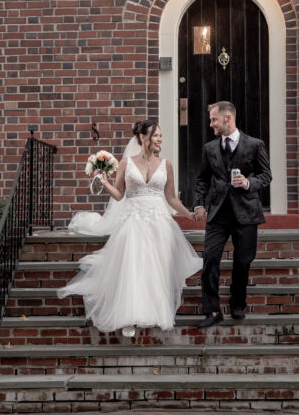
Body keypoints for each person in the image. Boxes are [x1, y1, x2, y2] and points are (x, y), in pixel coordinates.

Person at [58, 119, 201, 337]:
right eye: (156, 135)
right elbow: (119, 195)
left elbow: (171, 198)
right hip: (133, 220)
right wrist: (105, 184)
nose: (160, 139)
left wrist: (188, 213)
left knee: (156, 268)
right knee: (133, 268)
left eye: (161, 135)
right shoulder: (126, 163)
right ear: (143, 138)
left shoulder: (166, 165)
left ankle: (155, 312)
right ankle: (128, 317)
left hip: (159, 222)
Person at [193, 100, 272, 328]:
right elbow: (202, 180)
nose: (211, 124)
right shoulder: (209, 148)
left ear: (228, 118)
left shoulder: (255, 145)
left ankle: (238, 303)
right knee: (210, 260)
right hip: (218, 213)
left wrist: (248, 182)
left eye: (214, 119)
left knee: (243, 262)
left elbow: (266, 175)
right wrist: (199, 204)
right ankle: (212, 311)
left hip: (246, 213)